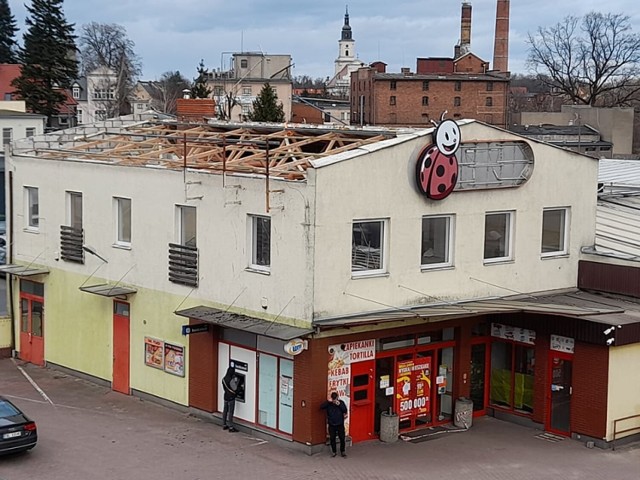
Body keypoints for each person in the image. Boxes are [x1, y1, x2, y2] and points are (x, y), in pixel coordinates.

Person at [320, 392, 348, 457]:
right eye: (333, 399)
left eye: (335, 399)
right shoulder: (329, 404)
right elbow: (321, 407)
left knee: (342, 438)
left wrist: (339, 404)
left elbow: (345, 410)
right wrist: (328, 402)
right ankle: (334, 452)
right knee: (332, 438)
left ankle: (342, 451)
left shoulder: (340, 402)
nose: (334, 400)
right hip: (332, 424)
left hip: (340, 424)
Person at [221, 366, 239, 432]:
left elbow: (224, 388)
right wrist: (236, 382)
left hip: (225, 396)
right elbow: (235, 388)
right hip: (231, 398)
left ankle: (224, 424)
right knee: (230, 412)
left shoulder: (223, 379)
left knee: (225, 411)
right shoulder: (231, 380)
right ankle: (231, 427)